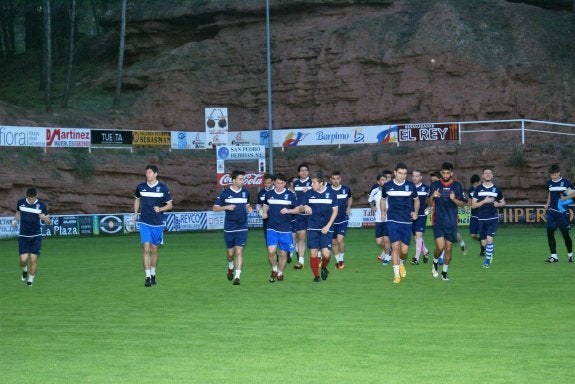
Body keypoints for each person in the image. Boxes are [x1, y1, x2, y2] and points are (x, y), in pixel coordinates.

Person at [133, 165, 173, 287]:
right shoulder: (141, 187)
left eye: (150, 172)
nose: (147, 175)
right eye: (146, 173)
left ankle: (153, 273)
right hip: (144, 221)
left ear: (156, 174)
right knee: (146, 248)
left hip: (157, 223)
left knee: (154, 249)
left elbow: (170, 205)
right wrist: (135, 214)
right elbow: (137, 200)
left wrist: (160, 208)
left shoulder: (163, 188)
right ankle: (147, 276)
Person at [427, 162, 467, 280]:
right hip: (438, 221)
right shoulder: (434, 185)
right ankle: (434, 261)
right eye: (443, 172)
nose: (445, 175)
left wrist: (454, 200)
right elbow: (428, 203)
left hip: (451, 222)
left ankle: (444, 272)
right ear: (441, 173)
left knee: (448, 248)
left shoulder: (457, 186)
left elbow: (463, 204)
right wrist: (433, 196)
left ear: (452, 173)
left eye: (447, 173)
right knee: (440, 246)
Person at [381, 163, 419, 283]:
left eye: (405, 174)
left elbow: (416, 200)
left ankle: (401, 263)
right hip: (392, 219)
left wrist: (416, 212)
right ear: (395, 172)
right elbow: (382, 199)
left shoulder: (410, 185)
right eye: (400, 173)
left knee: (404, 251)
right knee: (395, 247)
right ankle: (396, 275)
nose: (402, 176)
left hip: (406, 221)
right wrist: (383, 211)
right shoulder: (387, 186)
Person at [213, 170, 253, 285]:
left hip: (242, 226)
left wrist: (249, 208)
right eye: (240, 179)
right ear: (233, 180)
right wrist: (226, 207)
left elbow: (247, 205)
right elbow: (215, 208)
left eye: (243, 179)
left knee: (239, 251)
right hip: (229, 227)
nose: (242, 181)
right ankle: (230, 266)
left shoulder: (246, 192)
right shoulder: (225, 193)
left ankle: (237, 276)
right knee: (230, 254)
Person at [261, 173, 300, 282]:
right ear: (274, 182)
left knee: (283, 254)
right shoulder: (269, 194)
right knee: (271, 252)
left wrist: (289, 210)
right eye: (277, 183)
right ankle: (274, 269)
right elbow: (265, 205)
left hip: (285, 229)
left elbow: (298, 209)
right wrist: (264, 212)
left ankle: (281, 272)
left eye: (282, 183)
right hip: (271, 228)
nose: (279, 185)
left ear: (285, 183)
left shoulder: (290, 195)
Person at [301, 171, 338, 282]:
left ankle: (323, 267)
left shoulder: (331, 193)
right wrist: (306, 205)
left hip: (326, 228)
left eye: (314, 182)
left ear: (321, 183)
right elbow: (302, 206)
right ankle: (316, 277)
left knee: (326, 255)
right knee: (313, 253)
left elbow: (335, 211)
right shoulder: (308, 193)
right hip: (312, 227)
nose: (311, 184)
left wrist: (328, 226)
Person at [11, 187, 52, 287]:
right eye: (29, 198)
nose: (31, 200)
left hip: (36, 236)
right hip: (23, 236)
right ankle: (24, 270)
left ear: (36, 196)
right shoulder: (20, 203)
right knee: (23, 260)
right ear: (26, 196)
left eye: (33, 198)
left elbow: (49, 221)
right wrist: (15, 221)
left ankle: (30, 281)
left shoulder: (41, 205)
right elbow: (17, 213)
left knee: (33, 260)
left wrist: (44, 218)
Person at [471, 167, 505, 268]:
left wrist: (496, 204)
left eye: (489, 173)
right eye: (486, 173)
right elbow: (473, 205)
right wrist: (484, 201)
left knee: (489, 239)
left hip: (493, 218)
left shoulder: (496, 189)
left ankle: (487, 262)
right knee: (484, 242)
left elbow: (503, 202)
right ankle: (490, 253)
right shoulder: (478, 189)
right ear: (482, 176)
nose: (488, 175)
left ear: (492, 175)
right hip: (481, 218)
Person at [543, 163, 574, 263]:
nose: (553, 177)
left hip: (562, 213)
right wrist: (547, 204)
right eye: (551, 175)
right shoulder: (549, 183)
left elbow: (573, 193)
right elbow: (550, 194)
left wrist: (566, 197)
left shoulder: (565, 182)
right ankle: (554, 256)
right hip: (552, 212)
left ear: (559, 173)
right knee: (550, 232)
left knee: (565, 235)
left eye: (555, 175)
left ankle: (570, 255)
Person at [329, 171, 353, 269]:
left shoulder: (346, 189)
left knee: (340, 239)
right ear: (331, 180)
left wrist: (349, 207)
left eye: (337, 178)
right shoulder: (327, 190)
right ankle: (338, 261)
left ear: (340, 179)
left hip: (343, 218)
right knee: (333, 242)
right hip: (331, 220)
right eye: (333, 179)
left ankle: (341, 260)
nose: (335, 181)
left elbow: (350, 198)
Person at [368, 171, 391, 265]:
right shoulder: (375, 191)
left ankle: (387, 257)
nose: (384, 181)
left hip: (388, 219)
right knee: (379, 241)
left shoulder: (390, 191)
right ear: (378, 182)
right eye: (382, 180)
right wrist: (372, 206)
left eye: (385, 180)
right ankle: (389, 251)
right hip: (378, 219)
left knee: (386, 240)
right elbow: (370, 200)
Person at [293, 163, 312, 269]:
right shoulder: (296, 184)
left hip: (313, 214)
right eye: (302, 170)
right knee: (301, 236)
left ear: (308, 172)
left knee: (315, 236)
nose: (304, 172)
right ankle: (301, 261)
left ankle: (318, 256)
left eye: (306, 170)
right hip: (300, 214)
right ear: (298, 172)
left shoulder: (313, 182)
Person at [410, 169, 430, 265]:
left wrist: (429, 207)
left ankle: (416, 258)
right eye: (413, 176)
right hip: (411, 216)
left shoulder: (426, 188)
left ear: (421, 177)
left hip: (421, 216)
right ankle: (425, 251)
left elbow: (431, 200)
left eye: (417, 176)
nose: (415, 178)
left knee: (418, 236)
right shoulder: (408, 187)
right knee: (416, 238)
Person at [257, 173, 275, 250]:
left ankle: (286, 253)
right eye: (265, 183)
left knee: (281, 239)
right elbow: (258, 206)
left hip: (279, 219)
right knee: (269, 240)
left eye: (269, 183)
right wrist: (262, 213)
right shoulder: (261, 192)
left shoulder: (277, 190)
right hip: (267, 220)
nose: (266, 184)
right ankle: (274, 256)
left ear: (273, 182)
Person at [467, 174, 484, 256]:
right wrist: (467, 206)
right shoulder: (470, 189)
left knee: (481, 233)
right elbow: (470, 201)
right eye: (473, 184)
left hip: (482, 215)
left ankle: (483, 251)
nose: (474, 186)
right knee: (473, 235)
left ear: (478, 182)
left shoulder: (483, 189)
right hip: (473, 215)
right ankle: (485, 243)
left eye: (475, 184)